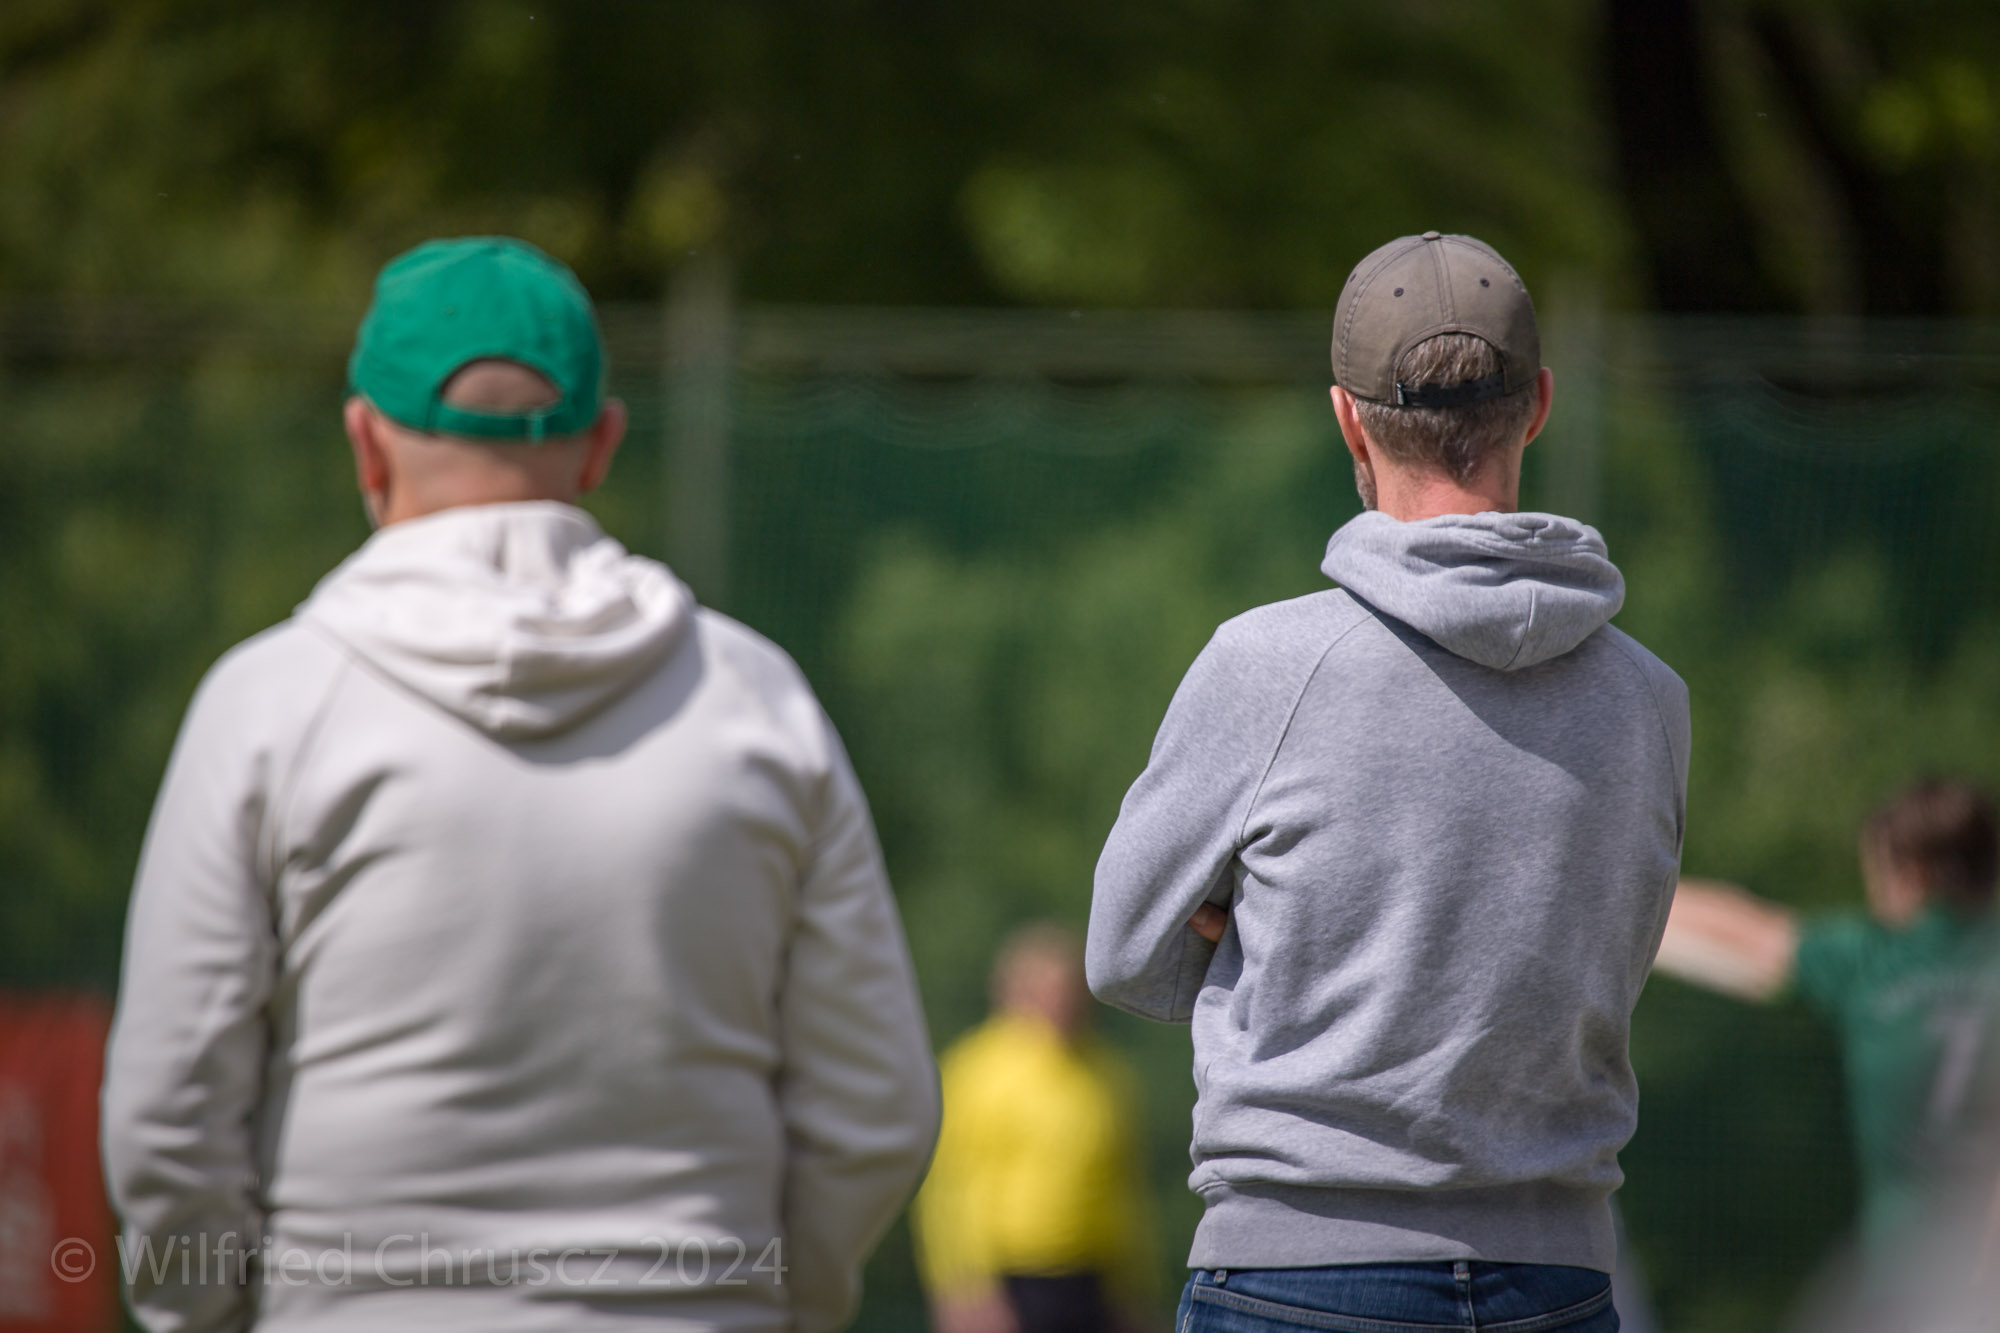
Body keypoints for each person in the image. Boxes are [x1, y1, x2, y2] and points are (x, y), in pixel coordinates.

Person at [100, 237, 939, 1333]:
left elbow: (170, 1102)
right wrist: (775, 1297)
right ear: (601, 444)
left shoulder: (270, 703)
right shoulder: (754, 699)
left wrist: (213, 1312)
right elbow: (875, 1104)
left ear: (364, 442)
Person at [1088, 231, 1690, 1332]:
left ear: (1346, 417)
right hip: (1558, 1283)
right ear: (1538, 405)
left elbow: (1124, 953)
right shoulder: (1651, 699)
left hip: (1291, 1280)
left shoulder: (1266, 664)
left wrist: (1253, 928)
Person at [1656, 778, 2000, 1257]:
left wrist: (1622, 894)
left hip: (1912, 1271)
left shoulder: (1876, 959)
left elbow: (1750, 933)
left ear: (1911, 873)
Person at [912, 924, 1152, 1333]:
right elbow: (950, 1191)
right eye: (1048, 989)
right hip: (1009, 1277)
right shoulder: (977, 1069)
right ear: (1014, 991)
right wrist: (963, 1287)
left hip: (1092, 1276)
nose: (1062, 1002)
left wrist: (1135, 1289)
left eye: (1069, 990)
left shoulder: (1106, 1074)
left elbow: (1125, 1192)